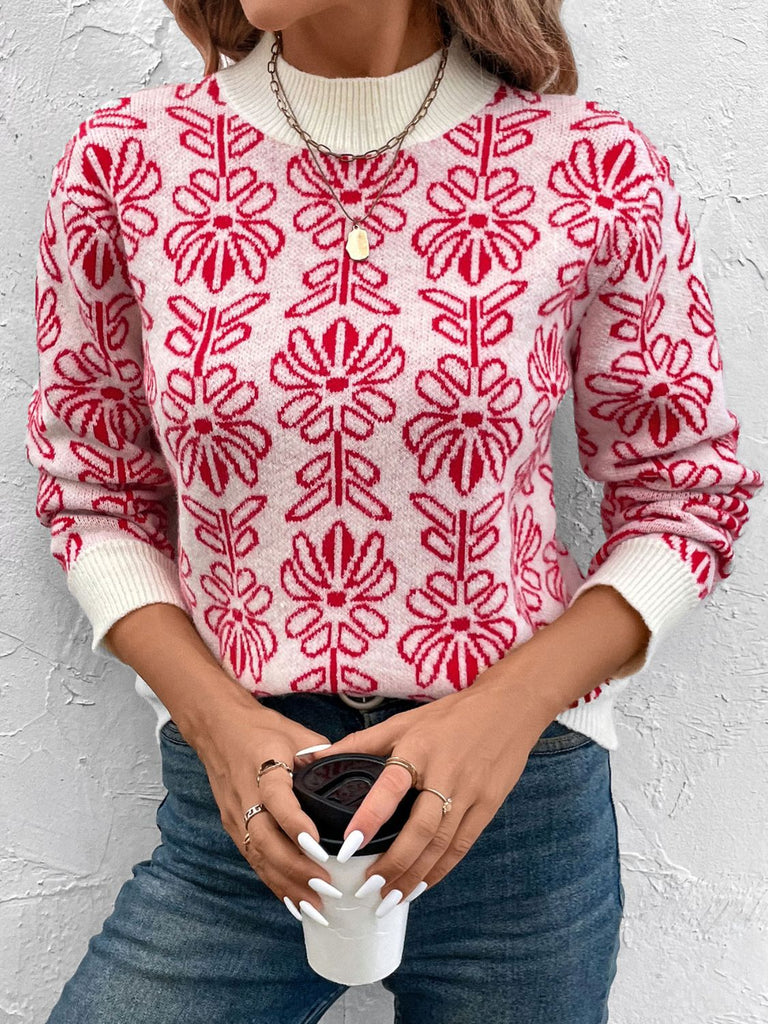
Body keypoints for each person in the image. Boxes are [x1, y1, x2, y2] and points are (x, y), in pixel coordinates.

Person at [25, 1, 763, 1021]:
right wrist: (214, 720)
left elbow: (687, 495)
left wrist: (504, 717)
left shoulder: (594, 165)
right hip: (244, 805)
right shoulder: (127, 161)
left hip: (515, 810)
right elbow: (93, 491)